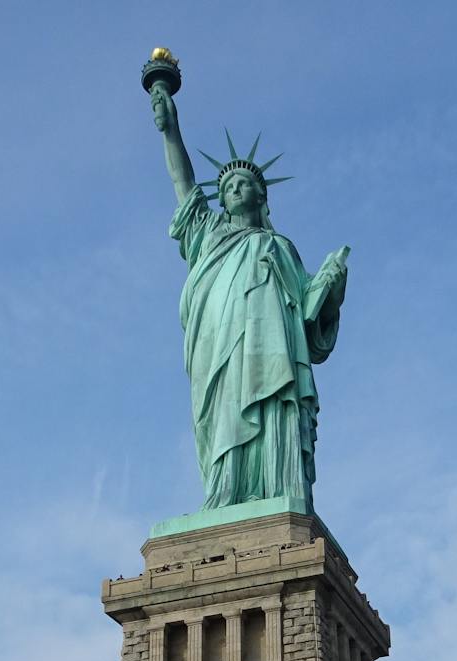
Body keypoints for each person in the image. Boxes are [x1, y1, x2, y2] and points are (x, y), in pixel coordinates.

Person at [150, 76, 349, 513]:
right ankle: (225, 496)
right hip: (218, 350)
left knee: (275, 404)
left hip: (271, 355)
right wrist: (170, 130)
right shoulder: (208, 236)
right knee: (224, 417)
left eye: (243, 184)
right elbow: (183, 184)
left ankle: (278, 489)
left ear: (261, 196)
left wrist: (331, 288)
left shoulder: (280, 248)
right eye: (226, 188)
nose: (234, 190)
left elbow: (310, 319)